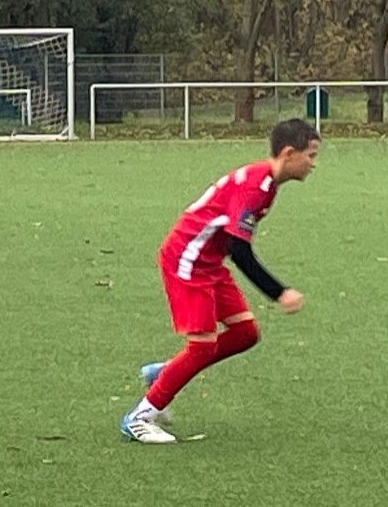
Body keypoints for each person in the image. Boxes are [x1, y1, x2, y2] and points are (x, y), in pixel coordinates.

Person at [120, 118, 321, 444]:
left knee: (245, 333)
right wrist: (278, 292)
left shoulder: (265, 181)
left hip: (209, 262)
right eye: (310, 155)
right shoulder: (256, 186)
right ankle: (139, 417)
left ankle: (165, 374)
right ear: (288, 153)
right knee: (202, 347)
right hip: (188, 261)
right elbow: (240, 250)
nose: (313, 164)